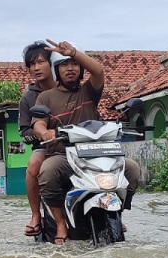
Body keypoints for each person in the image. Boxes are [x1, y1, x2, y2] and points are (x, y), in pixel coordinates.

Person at [32, 39, 142, 244]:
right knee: (47, 172)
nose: (70, 68)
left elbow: (99, 71)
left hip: (99, 153)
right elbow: (38, 122)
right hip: (64, 155)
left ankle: (118, 215)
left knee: (132, 169)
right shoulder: (46, 97)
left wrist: (74, 52)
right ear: (57, 70)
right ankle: (60, 223)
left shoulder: (89, 91)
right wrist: (45, 132)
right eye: (64, 64)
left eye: (74, 64)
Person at [19, 40, 58, 237]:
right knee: (33, 164)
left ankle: (112, 214)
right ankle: (35, 215)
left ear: (52, 63)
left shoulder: (68, 87)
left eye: (41, 62)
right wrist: (42, 133)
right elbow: (24, 131)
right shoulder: (28, 98)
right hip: (44, 148)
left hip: (75, 145)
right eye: (32, 64)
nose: (36, 67)